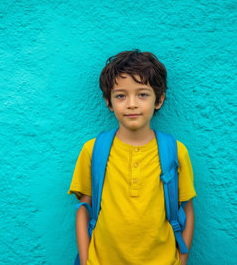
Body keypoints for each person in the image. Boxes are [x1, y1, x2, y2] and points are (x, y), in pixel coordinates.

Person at [68, 50, 196, 265]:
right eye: (120, 95)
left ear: (159, 99)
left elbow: (188, 212)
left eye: (142, 94)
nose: (132, 104)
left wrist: (181, 261)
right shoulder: (93, 150)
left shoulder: (175, 151)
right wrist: (85, 260)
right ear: (109, 102)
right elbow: (83, 208)